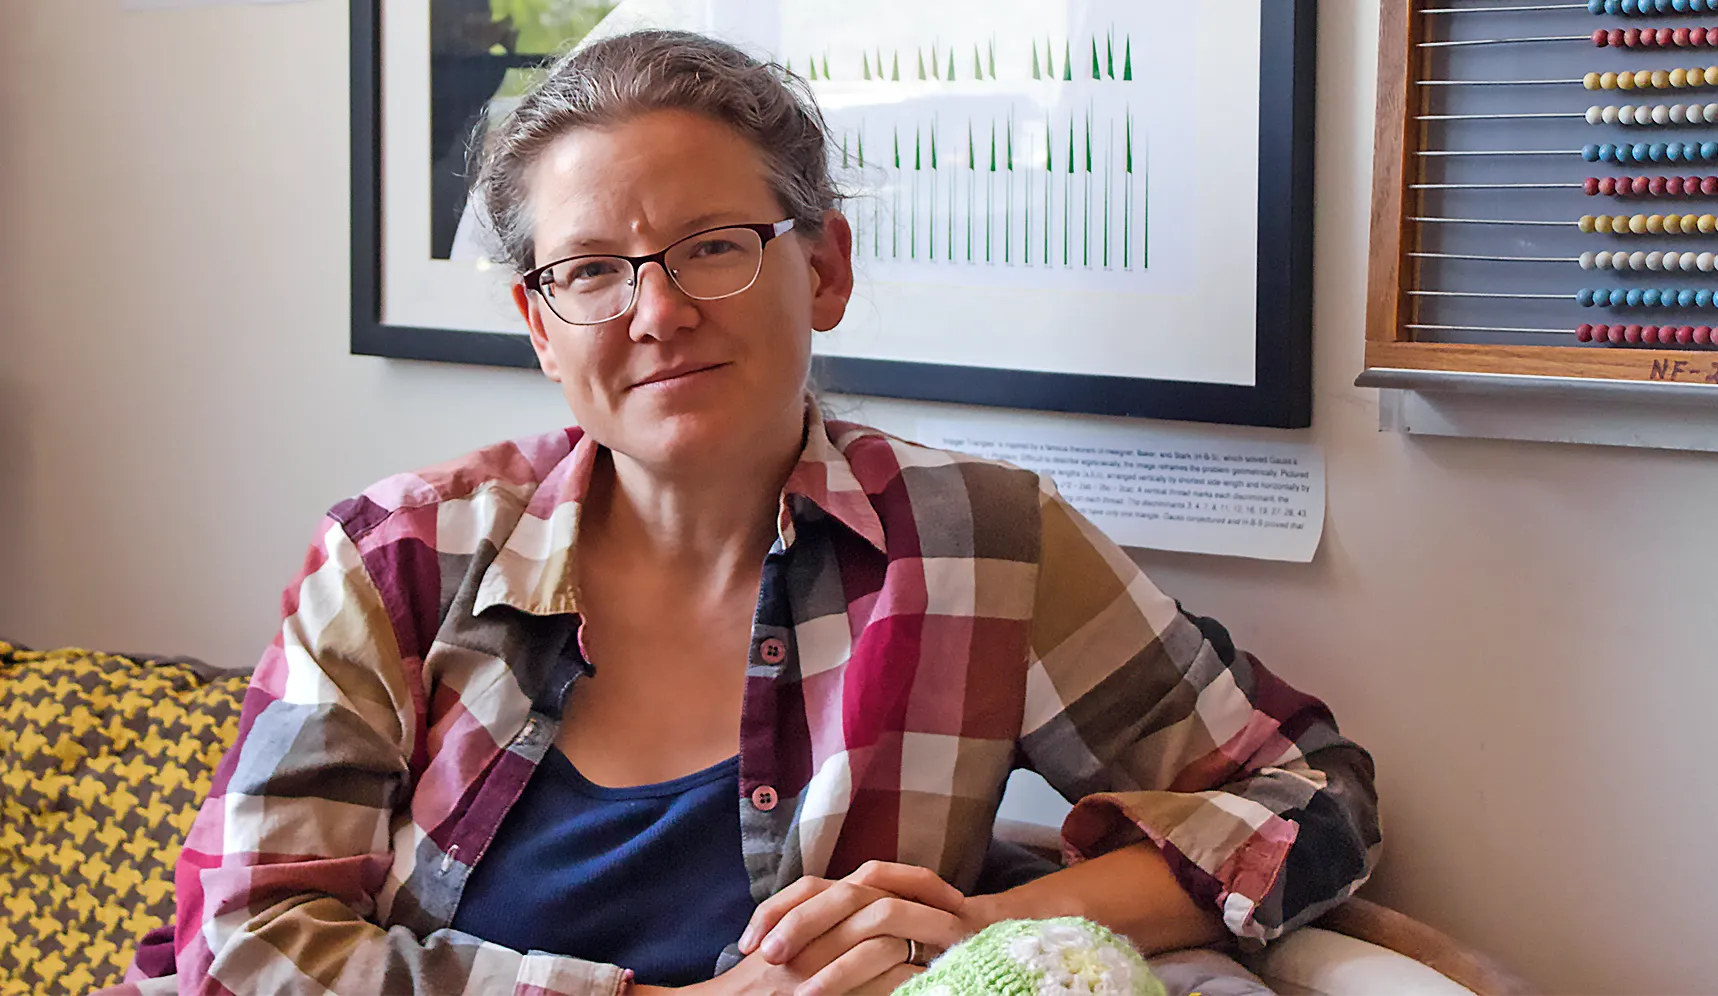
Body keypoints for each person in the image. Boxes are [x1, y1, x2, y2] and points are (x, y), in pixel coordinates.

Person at [108, 29, 1379, 996]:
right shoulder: (397, 559)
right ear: (541, 328)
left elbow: (1302, 799)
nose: (657, 313)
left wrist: (984, 932)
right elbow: (249, 942)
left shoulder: (976, 544)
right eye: (592, 271)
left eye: (714, 246)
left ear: (820, 270)